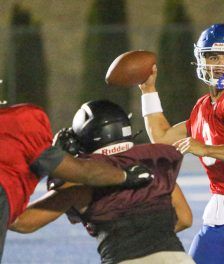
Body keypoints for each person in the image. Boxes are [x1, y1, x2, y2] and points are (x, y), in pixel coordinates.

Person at [138, 23, 224, 264]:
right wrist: (148, 90)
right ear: (202, 60)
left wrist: (205, 148)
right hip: (223, 211)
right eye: (213, 57)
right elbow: (161, 138)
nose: (221, 64)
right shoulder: (202, 107)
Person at [9, 99, 194, 264]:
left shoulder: (80, 183)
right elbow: (185, 219)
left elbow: (21, 221)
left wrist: (51, 163)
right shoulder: (153, 167)